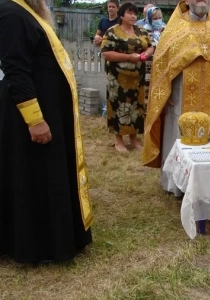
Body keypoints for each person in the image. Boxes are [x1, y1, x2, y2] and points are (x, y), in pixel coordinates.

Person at [0, 0, 93, 264]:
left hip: (49, 111)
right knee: (32, 180)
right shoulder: (11, 13)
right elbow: (16, 70)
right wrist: (35, 120)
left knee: (46, 178)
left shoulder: (29, 13)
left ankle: (55, 240)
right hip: (30, 118)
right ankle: (36, 246)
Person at [142, 0, 210, 194]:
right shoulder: (174, 29)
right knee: (180, 133)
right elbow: (161, 64)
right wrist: (165, 90)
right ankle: (178, 185)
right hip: (181, 92)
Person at [101, 2, 154, 153]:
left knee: (136, 108)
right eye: (130, 13)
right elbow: (105, 53)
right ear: (122, 15)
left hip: (137, 78)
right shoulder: (112, 32)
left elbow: (150, 46)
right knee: (119, 106)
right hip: (118, 78)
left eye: (135, 13)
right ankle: (119, 140)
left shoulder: (141, 30)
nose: (133, 16)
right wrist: (129, 57)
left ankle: (133, 138)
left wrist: (147, 54)